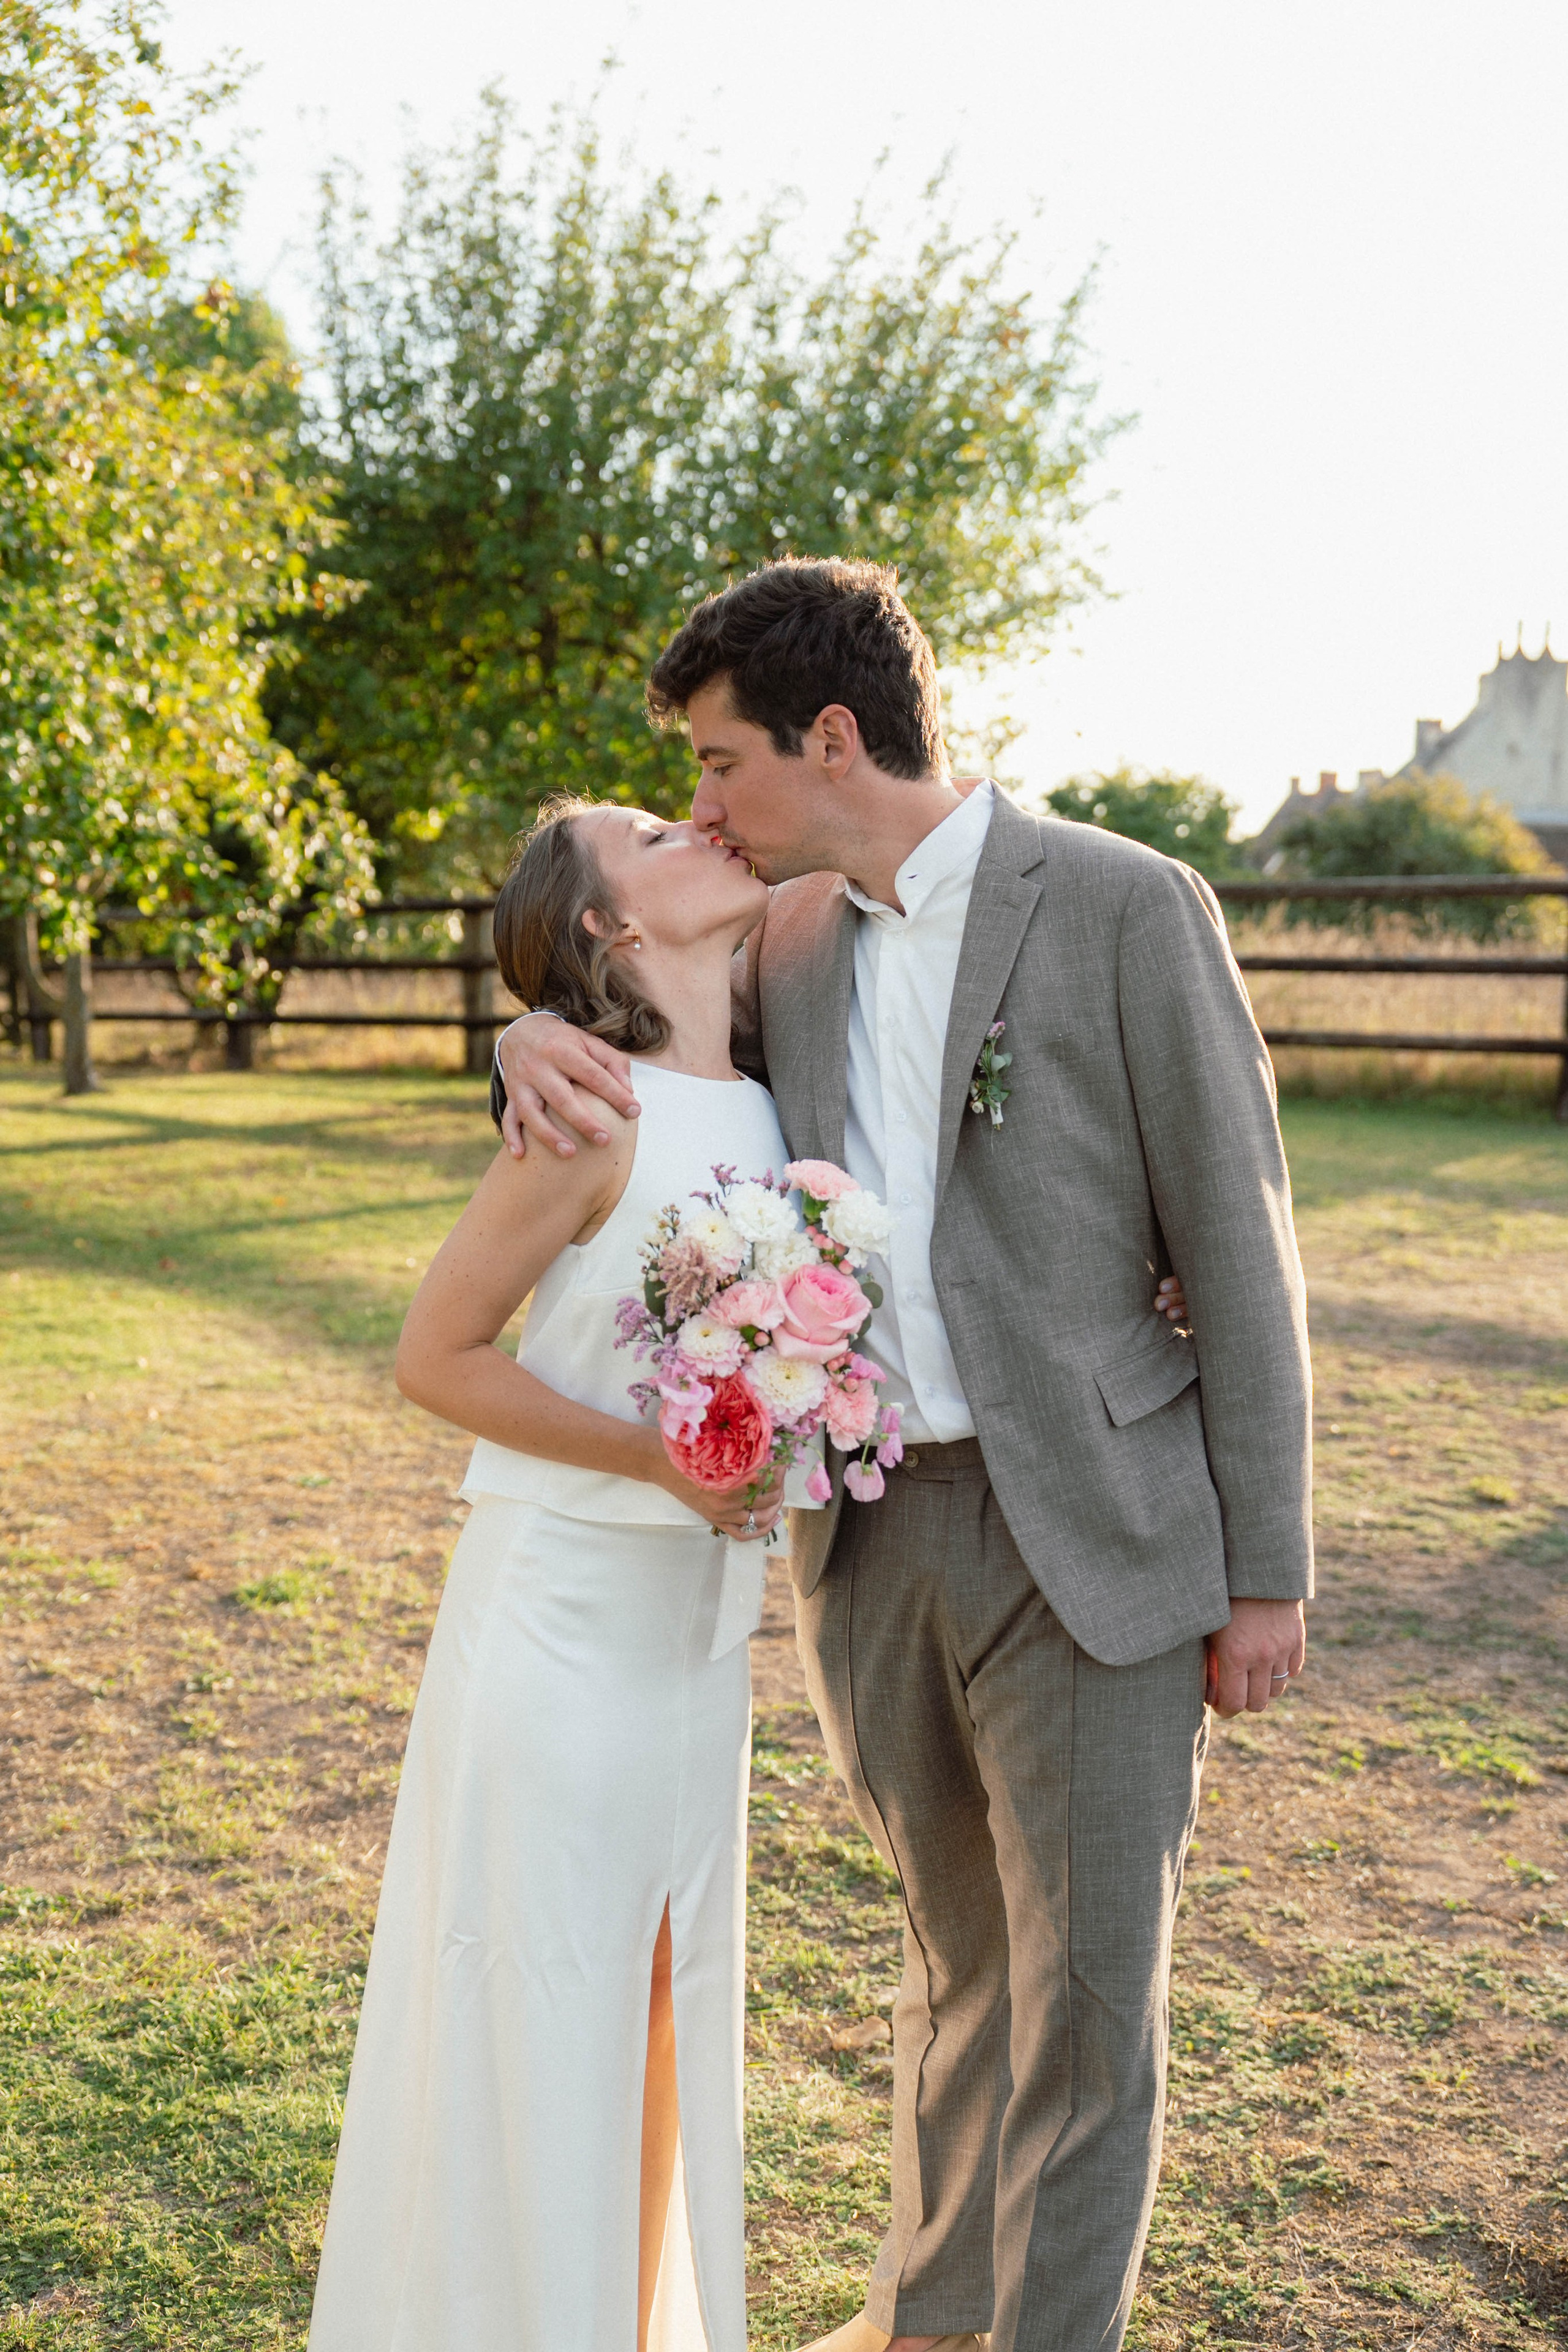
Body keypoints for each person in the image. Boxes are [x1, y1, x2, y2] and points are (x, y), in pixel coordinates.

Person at [496, 557, 1313, 2352]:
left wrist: (1268, 1574)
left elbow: (1242, 1254)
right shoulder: (782, 940)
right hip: (871, 1546)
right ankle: (926, 2326)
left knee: (1092, 2004)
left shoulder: (1122, 903)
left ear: (835, 737)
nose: (703, 807)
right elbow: (642, 1051)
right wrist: (529, 1023)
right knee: (960, 1977)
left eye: (721, 766)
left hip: (1093, 1541)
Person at [308, 799, 796, 2352]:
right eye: (654, 829)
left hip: (691, 1638)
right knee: (543, 2005)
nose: (704, 820)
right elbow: (431, 1357)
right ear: (606, 926)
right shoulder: (591, 1112)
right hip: (561, 1623)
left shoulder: (770, 1090)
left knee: (659, 1997)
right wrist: (659, 1461)